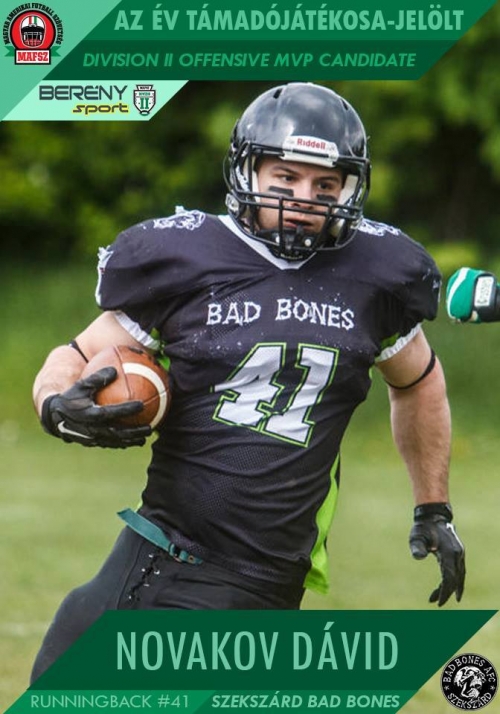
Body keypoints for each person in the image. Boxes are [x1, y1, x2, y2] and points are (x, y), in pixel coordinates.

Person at [31, 82, 466, 681]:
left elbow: (419, 382)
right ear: (248, 171)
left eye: (326, 185)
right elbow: (76, 353)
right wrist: (55, 403)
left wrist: (433, 507)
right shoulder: (187, 256)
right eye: (286, 177)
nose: (304, 199)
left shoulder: (378, 276)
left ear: (351, 189)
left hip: (268, 578)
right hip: (166, 561)